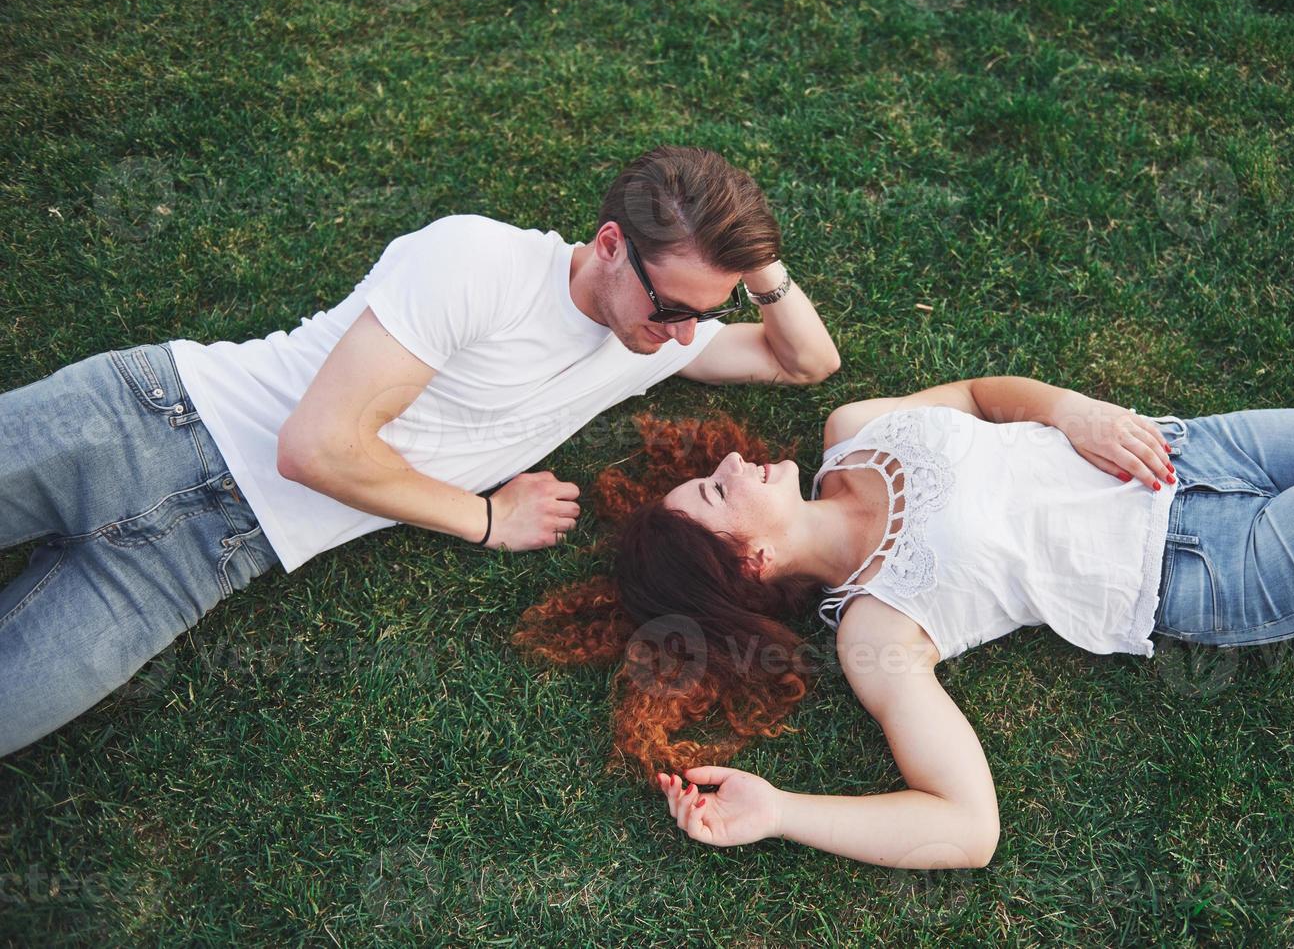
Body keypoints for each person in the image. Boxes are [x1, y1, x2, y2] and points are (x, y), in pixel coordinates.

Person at [0, 145, 841, 757]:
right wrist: (486, 518)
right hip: (150, 423)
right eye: (673, 309)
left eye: (708, 311)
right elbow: (317, 449)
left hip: (208, 558)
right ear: (612, 245)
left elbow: (805, 361)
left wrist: (762, 276)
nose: (687, 335)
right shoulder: (481, 261)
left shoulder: (654, 337)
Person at [515, 376, 1294, 870]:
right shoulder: (876, 632)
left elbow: (979, 400)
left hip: (1207, 444)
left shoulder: (856, 428)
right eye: (717, 493)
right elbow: (967, 827)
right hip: (1223, 568)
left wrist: (1076, 411)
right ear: (749, 565)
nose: (732, 461)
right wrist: (783, 814)